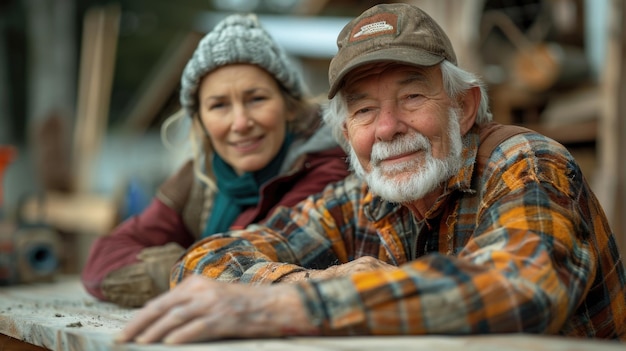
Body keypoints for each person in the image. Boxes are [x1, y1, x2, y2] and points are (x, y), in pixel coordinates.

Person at [116, 3, 626, 344]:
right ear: (344, 133)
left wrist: (295, 306)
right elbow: (205, 259)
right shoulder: (362, 196)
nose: (386, 128)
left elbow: (523, 286)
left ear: (464, 108)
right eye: (362, 110)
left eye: (411, 96)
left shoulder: (527, 162)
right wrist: (304, 281)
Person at [81, 13, 350, 307]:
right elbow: (104, 257)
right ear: (201, 121)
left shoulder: (325, 166)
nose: (240, 122)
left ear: (288, 106)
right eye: (219, 105)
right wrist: (179, 272)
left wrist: (179, 269)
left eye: (256, 99)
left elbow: (263, 263)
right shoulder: (202, 175)